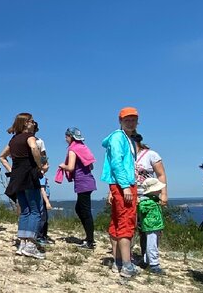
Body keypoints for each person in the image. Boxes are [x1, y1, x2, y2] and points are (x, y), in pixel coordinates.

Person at [0, 112, 47, 259]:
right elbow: (33, 148)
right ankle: (31, 245)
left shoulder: (13, 140)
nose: (34, 123)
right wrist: (40, 165)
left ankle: (22, 244)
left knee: (25, 211)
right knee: (35, 211)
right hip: (29, 175)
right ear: (26, 123)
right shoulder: (29, 137)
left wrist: (11, 170)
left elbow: (2, 156)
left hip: (17, 177)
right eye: (32, 121)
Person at [101, 107, 140, 278]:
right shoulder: (118, 138)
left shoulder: (127, 138)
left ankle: (118, 262)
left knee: (117, 222)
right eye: (127, 119)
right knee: (126, 223)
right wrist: (124, 186)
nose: (130, 122)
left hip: (119, 184)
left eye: (133, 119)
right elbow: (117, 163)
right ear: (120, 121)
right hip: (124, 185)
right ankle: (126, 265)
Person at [58, 127, 96, 248]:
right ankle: (89, 238)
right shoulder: (83, 148)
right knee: (80, 209)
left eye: (66, 136)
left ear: (70, 137)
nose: (65, 139)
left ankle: (90, 241)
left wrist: (63, 166)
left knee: (84, 211)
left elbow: (71, 167)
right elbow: (91, 167)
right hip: (88, 181)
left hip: (82, 183)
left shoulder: (73, 149)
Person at [137, 177, 167, 275]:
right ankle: (154, 264)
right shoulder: (147, 202)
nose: (159, 190)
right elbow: (142, 209)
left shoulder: (153, 200)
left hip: (155, 225)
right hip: (151, 226)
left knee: (153, 243)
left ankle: (146, 260)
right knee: (152, 244)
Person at [30, 119, 52, 244]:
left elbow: (43, 154)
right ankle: (38, 235)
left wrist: (44, 165)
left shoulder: (39, 141)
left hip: (38, 170)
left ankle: (40, 235)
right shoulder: (23, 139)